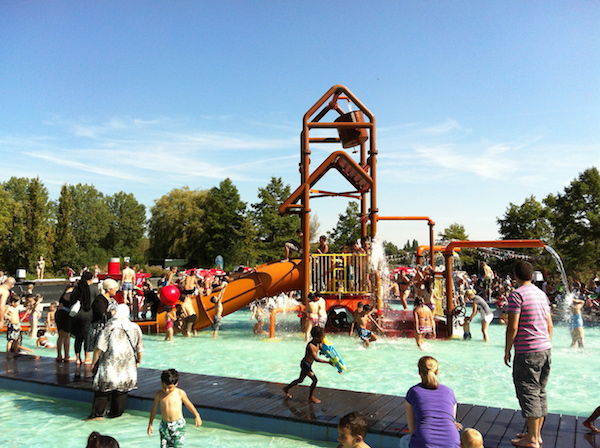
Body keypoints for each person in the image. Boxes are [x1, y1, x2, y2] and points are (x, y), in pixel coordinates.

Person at [504, 261, 553, 448]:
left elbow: (513, 326)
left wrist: (507, 349)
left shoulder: (517, 295)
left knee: (528, 392)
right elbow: (549, 325)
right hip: (545, 349)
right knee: (540, 391)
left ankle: (532, 440)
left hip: (527, 352)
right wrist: (546, 344)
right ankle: (536, 435)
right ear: (531, 276)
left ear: (515, 275)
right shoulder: (541, 295)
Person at [88, 304, 143, 420]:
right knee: (122, 390)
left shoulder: (110, 327)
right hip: (128, 365)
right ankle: (115, 414)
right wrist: (138, 361)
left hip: (110, 364)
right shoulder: (135, 327)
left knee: (103, 390)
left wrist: (93, 363)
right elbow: (139, 348)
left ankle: (97, 415)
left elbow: (99, 347)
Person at [398, 356, 460, 448]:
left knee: (404, 440)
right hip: (451, 440)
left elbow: (412, 429)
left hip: (425, 441)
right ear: (437, 372)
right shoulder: (449, 392)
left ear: (419, 372)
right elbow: (452, 420)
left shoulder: (414, 392)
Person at [147, 369, 203, 447]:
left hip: (178, 425)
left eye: (169, 388)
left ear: (176, 384)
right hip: (164, 425)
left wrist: (197, 415)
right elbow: (154, 410)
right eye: (164, 386)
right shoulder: (159, 395)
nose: (166, 390)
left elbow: (188, 404)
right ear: (161, 382)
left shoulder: (180, 393)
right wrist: (150, 424)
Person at [283, 326, 329, 403]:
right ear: (316, 337)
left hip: (308, 364)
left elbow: (322, 349)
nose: (323, 339)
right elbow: (316, 359)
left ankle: (286, 388)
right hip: (305, 365)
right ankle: (310, 397)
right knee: (314, 380)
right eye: (322, 337)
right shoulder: (310, 346)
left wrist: (327, 352)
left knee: (300, 380)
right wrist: (328, 362)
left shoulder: (318, 343)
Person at [88, 279, 119, 354]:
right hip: (100, 329)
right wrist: (113, 313)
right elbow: (101, 314)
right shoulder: (100, 300)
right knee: (99, 351)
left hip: (109, 328)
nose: (116, 290)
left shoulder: (111, 299)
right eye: (115, 289)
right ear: (108, 289)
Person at [70, 271, 94, 365]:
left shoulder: (76, 288)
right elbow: (96, 302)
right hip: (88, 314)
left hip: (76, 314)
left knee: (78, 337)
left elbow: (72, 300)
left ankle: (77, 358)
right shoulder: (93, 288)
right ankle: (87, 357)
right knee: (87, 337)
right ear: (90, 279)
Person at [55, 283, 74, 362]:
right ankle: (67, 356)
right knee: (67, 336)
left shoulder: (64, 294)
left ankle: (59, 355)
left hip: (58, 314)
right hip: (66, 315)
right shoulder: (71, 293)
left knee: (60, 336)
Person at [181, 272, 199, 337]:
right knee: (194, 328)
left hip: (186, 289)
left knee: (188, 330)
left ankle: (188, 338)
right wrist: (199, 290)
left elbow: (181, 282)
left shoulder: (187, 277)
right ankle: (195, 334)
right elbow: (197, 284)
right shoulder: (189, 301)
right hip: (194, 315)